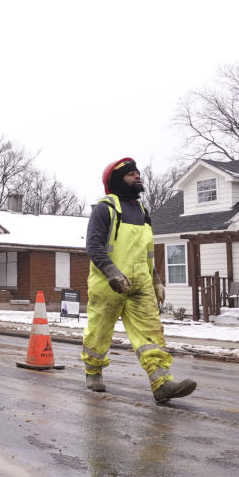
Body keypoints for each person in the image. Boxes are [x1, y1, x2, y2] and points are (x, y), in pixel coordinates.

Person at [81, 158, 197, 404]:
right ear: (116, 180)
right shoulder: (105, 209)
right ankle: (93, 371)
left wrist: (156, 280)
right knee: (100, 332)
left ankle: (161, 383)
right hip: (108, 282)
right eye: (131, 174)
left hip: (140, 284)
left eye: (138, 173)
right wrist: (111, 272)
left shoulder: (143, 212)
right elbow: (93, 245)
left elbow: (147, 253)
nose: (137, 177)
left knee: (151, 332)